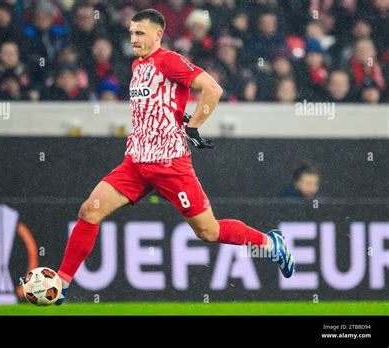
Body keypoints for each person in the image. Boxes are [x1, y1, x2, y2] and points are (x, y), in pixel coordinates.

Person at [20, 9, 296, 304]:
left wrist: (193, 126)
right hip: (136, 163)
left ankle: (270, 244)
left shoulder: (169, 60)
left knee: (208, 230)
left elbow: (212, 89)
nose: (134, 39)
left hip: (170, 164)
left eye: (140, 33)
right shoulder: (138, 66)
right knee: (90, 211)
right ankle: (62, 283)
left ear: (158, 35)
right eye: (131, 33)